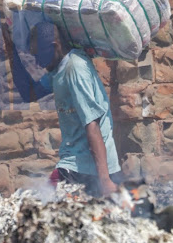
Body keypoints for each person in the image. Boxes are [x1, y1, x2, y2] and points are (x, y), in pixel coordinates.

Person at [8, 20, 123, 197]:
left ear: (54, 46)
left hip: (84, 168)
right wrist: (10, 49)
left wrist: (105, 180)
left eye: (39, 55)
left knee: (45, 211)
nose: (38, 63)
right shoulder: (58, 70)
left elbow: (92, 125)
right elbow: (29, 93)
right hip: (82, 166)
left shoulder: (75, 69)